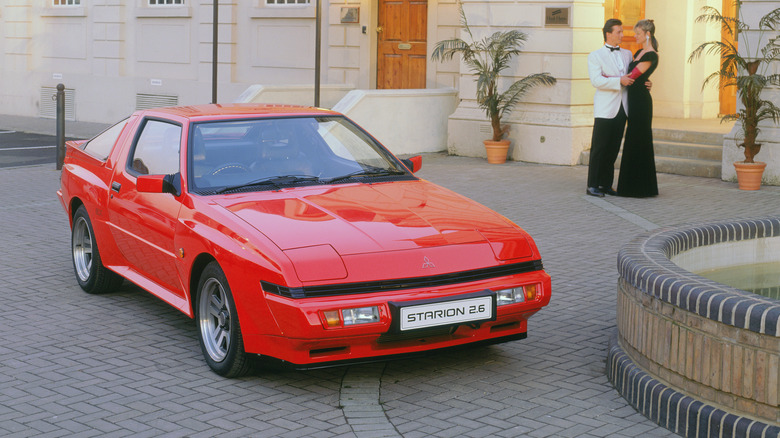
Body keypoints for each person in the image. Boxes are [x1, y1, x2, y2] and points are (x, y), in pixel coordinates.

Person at [586, 19, 634, 197]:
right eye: (619, 32)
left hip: (623, 107)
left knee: (613, 148)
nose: (622, 34)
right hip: (605, 108)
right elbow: (596, 81)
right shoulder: (595, 55)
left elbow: (633, 76)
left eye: (622, 31)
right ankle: (592, 185)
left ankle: (605, 184)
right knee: (599, 148)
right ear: (608, 33)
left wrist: (646, 83)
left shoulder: (628, 54)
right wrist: (618, 80)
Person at [617, 19, 659, 197]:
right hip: (633, 99)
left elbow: (633, 76)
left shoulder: (651, 55)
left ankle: (640, 188)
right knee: (633, 139)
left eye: (638, 33)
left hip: (641, 102)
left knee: (639, 139)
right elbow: (637, 78)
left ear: (647, 35)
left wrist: (607, 77)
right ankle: (630, 186)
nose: (635, 36)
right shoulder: (639, 52)